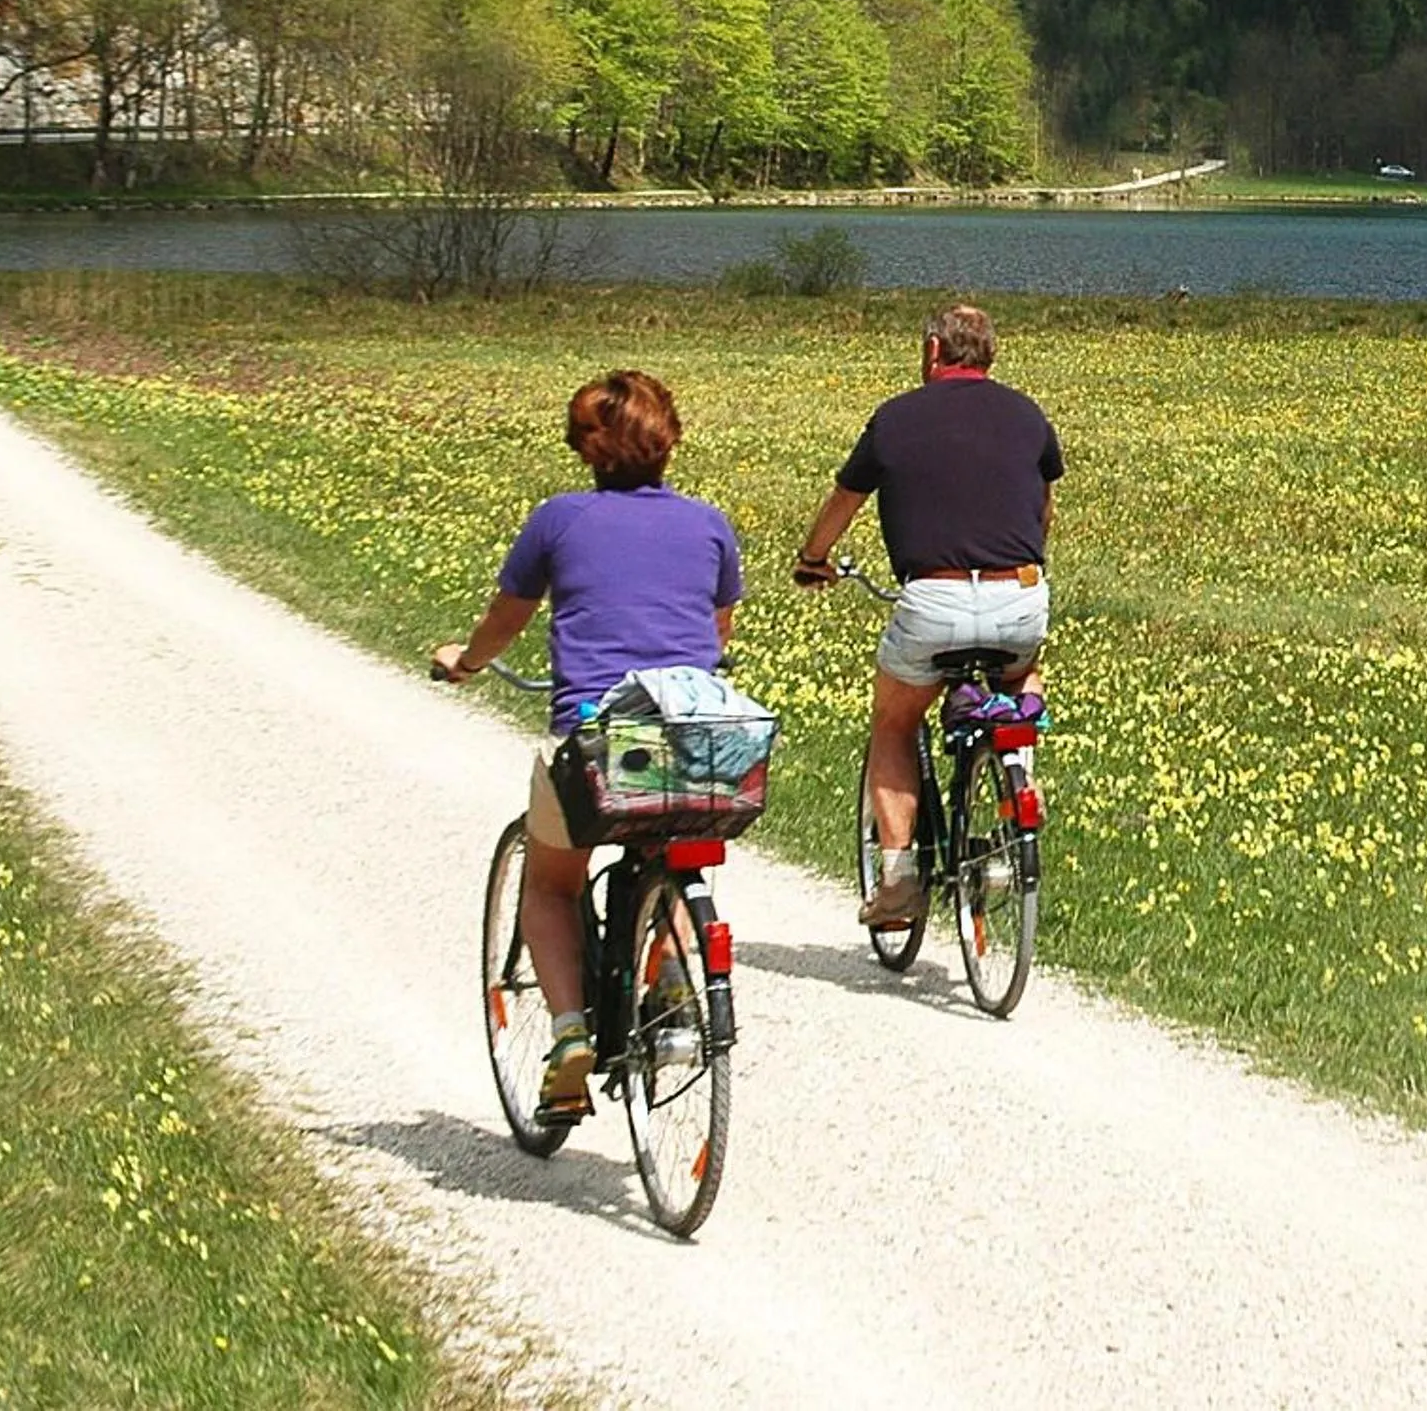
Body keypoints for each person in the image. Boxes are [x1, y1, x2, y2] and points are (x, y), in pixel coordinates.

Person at [432, 369, 742, 1119]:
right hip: (697, 740)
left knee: (550, 880)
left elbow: (505, 619)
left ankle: (569, 1032)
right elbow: (718, 633)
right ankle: (669, 985)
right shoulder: (709, 524)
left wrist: (466, 661)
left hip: (600, 741)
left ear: (587, 451)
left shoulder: (559, 521)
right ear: (668, 441)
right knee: (669, 844)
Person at [791, 304, 1062, 928]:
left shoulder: (895, 418)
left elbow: (845, 499)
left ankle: (897, 882)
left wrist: (814, 558)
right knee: (1021, 674)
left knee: (894, 721)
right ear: (990, 354)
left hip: (933, 599)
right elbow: (1043, 509)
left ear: (934, 351)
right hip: (1019, 594)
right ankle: (1019, 775)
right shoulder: (1028, 415)